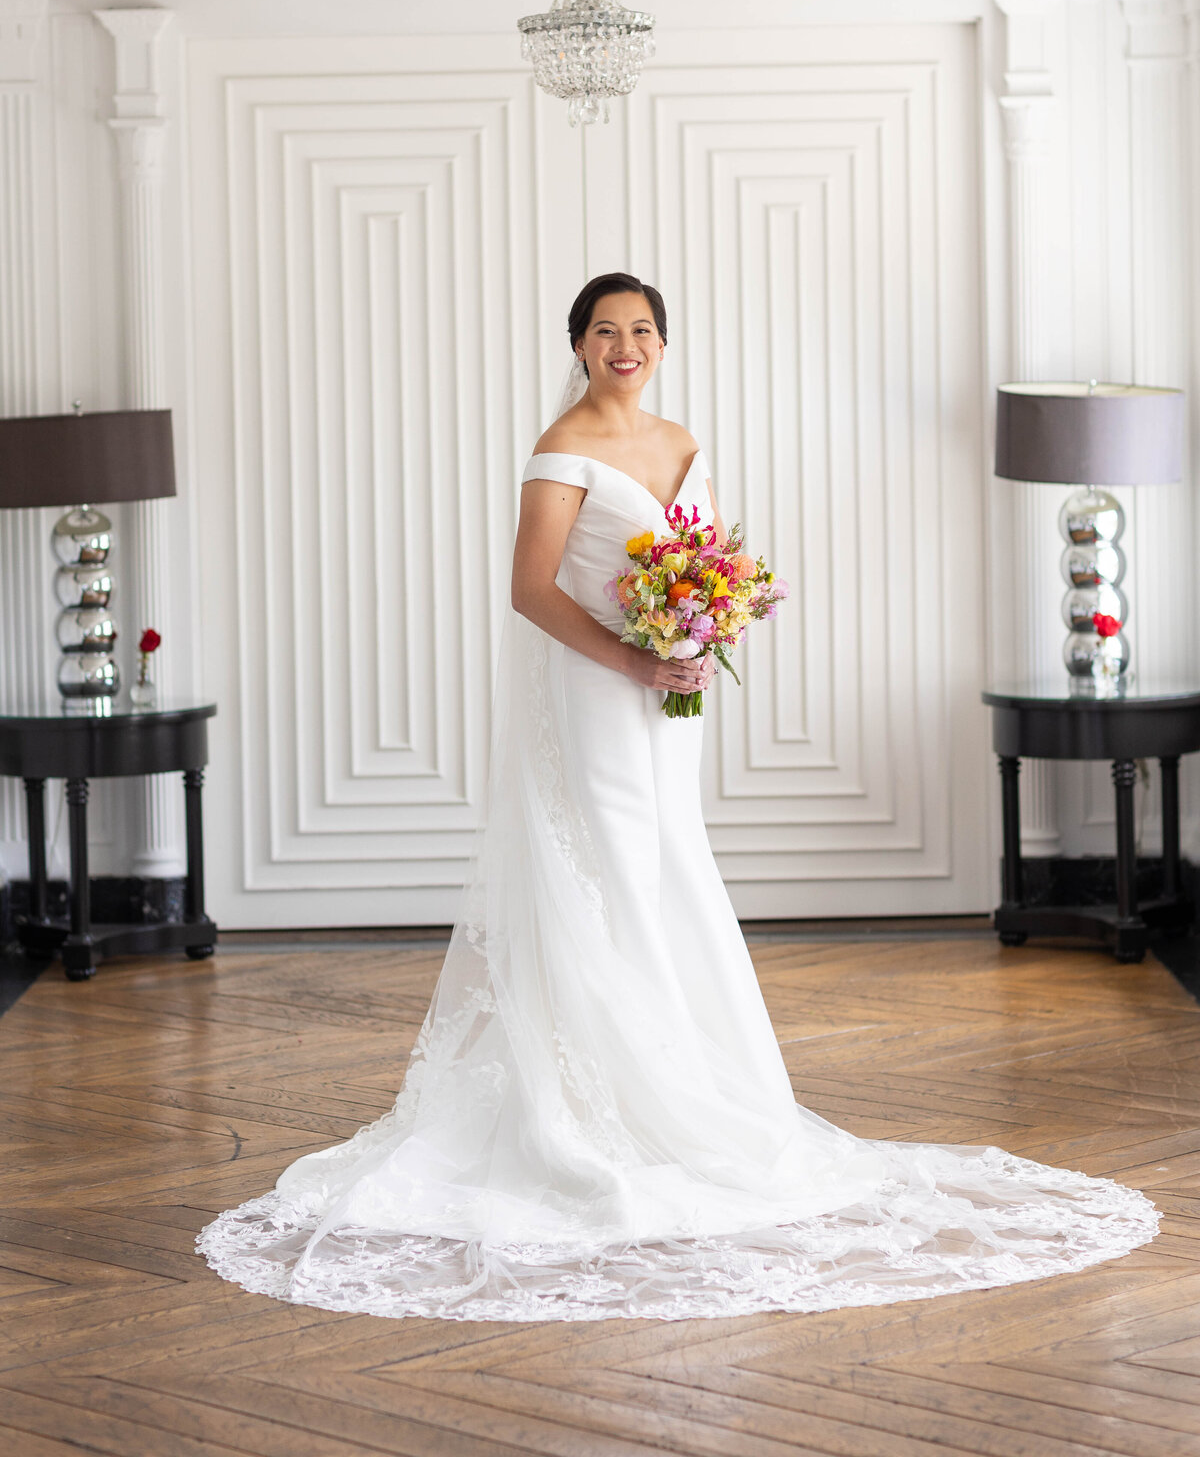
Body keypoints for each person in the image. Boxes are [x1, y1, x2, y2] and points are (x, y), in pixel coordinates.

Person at [197, 271, 1158, 1322]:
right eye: (606, 330)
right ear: (577, 343)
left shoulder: (680, 440)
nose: (626, 345)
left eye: (642, 330)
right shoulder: (561, 448)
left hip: (667, 691)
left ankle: (698, 1083)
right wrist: (635, 655)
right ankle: (604, 1103)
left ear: (663, 342)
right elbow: (532, 587)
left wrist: (700, 631)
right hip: (599, 689)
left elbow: (689, 558)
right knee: (606, 863)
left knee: (667, 858)